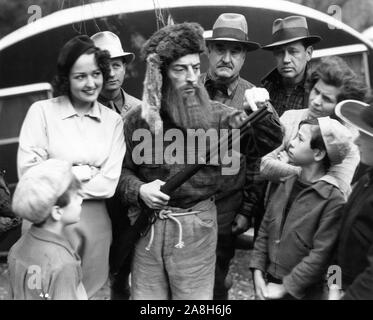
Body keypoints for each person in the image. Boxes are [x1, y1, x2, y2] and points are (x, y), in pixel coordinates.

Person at [116, 22, 282, 300]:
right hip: (147, 229)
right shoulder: (135, 121)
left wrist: (262, 108)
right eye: (181, 69)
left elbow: (267, 141)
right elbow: (121, 173)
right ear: (161, 76)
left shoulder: (219, 117)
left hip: (197, 229)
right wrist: (139, 190)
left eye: (195, 67)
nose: (192, 77)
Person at [17, 35, 126, 299]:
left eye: (96, 74)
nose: (91, 84)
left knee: (88, 293)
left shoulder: (113, 122)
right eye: (80, 77)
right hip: (45, 224)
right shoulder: (41, 112)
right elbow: (29, 174)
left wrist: (53, 172)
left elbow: (109, 184)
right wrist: (80, 171)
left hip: (95, 229)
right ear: (67, 78)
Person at [201, 13, 278, 300]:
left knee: (216, 284)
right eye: (220, 49)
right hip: (183, 209)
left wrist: (247, 209)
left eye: (235, 51)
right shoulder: (186, 89)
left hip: (225, 212)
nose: (226, 58)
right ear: (208, 51)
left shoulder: (255, 98)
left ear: (244, 57)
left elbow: (260, 161)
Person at [250, 117, 352, 300]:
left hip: (304, 292)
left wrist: (285, 288)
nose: (291, 142)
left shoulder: (332, 200)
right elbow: (265, 229)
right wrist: (257, 270)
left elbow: (321, 256)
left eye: (300, 139)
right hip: (270, 282)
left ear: (319, 154)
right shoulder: (286, 183)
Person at [260, 56, 368, 199]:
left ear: (340, 106)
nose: (316, 101)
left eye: (327, 99)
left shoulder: (349, 137)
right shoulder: (290, 117)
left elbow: (335, 188)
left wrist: (288, 165)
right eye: (316, 91)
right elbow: (265, 166)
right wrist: (310, 172)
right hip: (276, 211)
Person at [91, 31, 140, 300]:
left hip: (132, 208)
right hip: (97, 208)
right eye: (103, 65)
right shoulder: (81, 111)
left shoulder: (140, 109)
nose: (111, 73)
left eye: (117, 65)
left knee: (125, 277)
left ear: (125, 68)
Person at [8, 159, 87, 300]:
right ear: (57, 212)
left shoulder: (16, 248)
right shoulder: (63, 264)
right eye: (76, 196)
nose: (82, 198)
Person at [328, 100, 373, 300]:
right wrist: (333, 286)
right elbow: (339, 242)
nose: (356, 141)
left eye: (364, 135)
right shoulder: (365, 181)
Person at [261, 15, 321, 117]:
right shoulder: (266, 89)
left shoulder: (318, 92)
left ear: (308, 53)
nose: (286, 60)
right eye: (280, 52)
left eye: (293, 52)